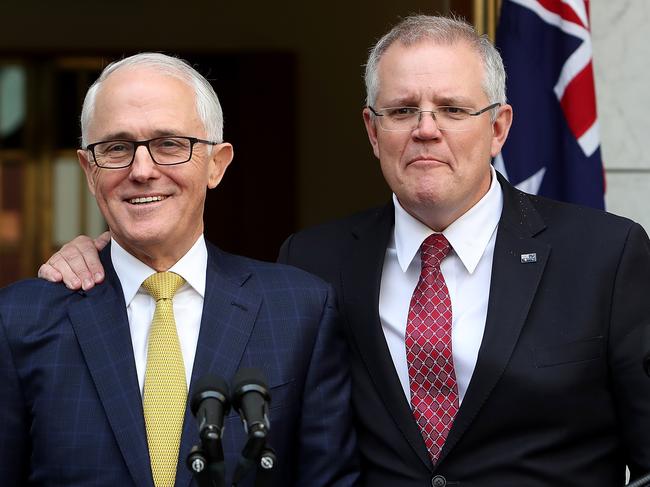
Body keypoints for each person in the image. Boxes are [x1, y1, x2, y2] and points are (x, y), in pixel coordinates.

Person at [37, 16, 650, 487]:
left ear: (499, 128)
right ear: (371, 130)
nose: (426, 128)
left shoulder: (606, 255)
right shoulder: (311, 263)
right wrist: (109, 251)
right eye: (403, 110)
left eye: (453, 109)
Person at [0, 52, 358, 487]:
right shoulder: (20, 319)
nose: (143, 170)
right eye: (116, 148)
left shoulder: (301, 309)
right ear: (89, 171)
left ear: (217, 164)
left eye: (169, 144)